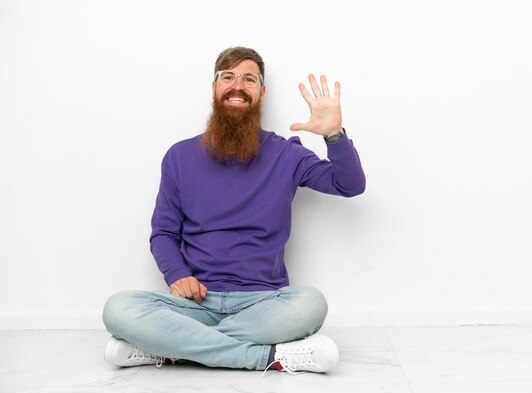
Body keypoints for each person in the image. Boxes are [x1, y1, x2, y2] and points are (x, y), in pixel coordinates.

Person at [101, 46, 365, 374]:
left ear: (261, 92)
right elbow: (164, 234)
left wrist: (334, 135)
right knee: (118, 308)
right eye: (228, 77)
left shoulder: (287, 154)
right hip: (195, 302)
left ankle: (168, 348)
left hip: (264, 303)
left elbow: (350, 184)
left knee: (311, 304)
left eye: (249, 79)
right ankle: (268, 358)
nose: (237, 85)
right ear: (214, 88)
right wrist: (177, 274)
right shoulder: (179, 157)